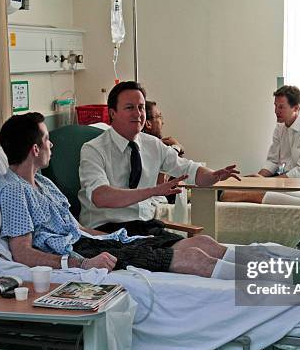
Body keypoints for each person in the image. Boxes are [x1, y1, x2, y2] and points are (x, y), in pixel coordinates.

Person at [0, 112, 238, 278]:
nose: (52, 145)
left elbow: (78, 227)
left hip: (94, 241)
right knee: (194, 258)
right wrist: (82, 264)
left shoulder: (43, 183)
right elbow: (22, 253)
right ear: (35, 149)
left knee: (203, 243)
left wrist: (117, 239)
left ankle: (268, 271)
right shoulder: (14, 190)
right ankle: (264, 288)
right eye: (47, 140)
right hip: (80, 252)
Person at [78, 81, 240, 238]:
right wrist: (154, 191)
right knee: (193, 257)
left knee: (205, 244)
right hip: (106, 231)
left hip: (144, 226)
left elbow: (188, 169)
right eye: (129, 108)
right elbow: (100, 197)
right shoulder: (93, 149)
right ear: (112, 113)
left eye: (141, 107)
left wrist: (213, 176)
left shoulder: (152, 144)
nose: (138, 113)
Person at [221, 85, 300, 204]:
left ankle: (223, 196)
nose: (276, 111)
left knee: (250, 195)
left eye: (281, 107)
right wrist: (258, 179)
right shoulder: (280, 127)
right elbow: (273, 161)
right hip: (292, 180)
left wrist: (267, 183)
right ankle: (222, 194)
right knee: (242, 185)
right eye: (275, 106)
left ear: (296, 108)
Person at [144, 100, 184, 204]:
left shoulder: (159, 146)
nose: (163, 122)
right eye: (159, 117)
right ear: (148, 123)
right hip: (166, 200)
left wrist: (177, 150)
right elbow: (161, 184)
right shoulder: (149, 147)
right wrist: (176, 148)